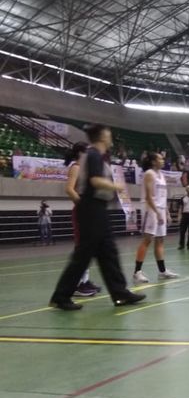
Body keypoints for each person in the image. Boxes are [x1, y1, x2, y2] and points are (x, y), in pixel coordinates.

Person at [49, 124, 145, 311]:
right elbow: (94, 180)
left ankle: (119, 293)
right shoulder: (93, 154)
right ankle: (61, 296)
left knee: (108, 252)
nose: (111, 137)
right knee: (83, 255)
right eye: (108, 133)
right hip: (91, 207)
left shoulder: (98, 156)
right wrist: (115, 186)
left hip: (97, 208)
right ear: (102, 136)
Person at [133, 152, 180, 283]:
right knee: (147, 240)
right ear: (153, 161)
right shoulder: (149, 174)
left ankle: (162, 271)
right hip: (150, 209)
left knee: (160, 240)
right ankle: (137, 272)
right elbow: (149, 197)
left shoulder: (162, 175)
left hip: (160, 209)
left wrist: (166, 213)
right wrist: (157, 212)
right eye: (160, 158)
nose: (163, 160)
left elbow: (162, 197)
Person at [64, 141, 102, 297]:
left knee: (87, 247)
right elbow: (69, 189)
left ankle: (84, 280)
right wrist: (82, 205)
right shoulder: (76, 167)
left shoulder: (85, 170)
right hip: (81, 212)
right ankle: (77, 284)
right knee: (82, 247)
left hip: (88, 212)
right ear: (81, 153)